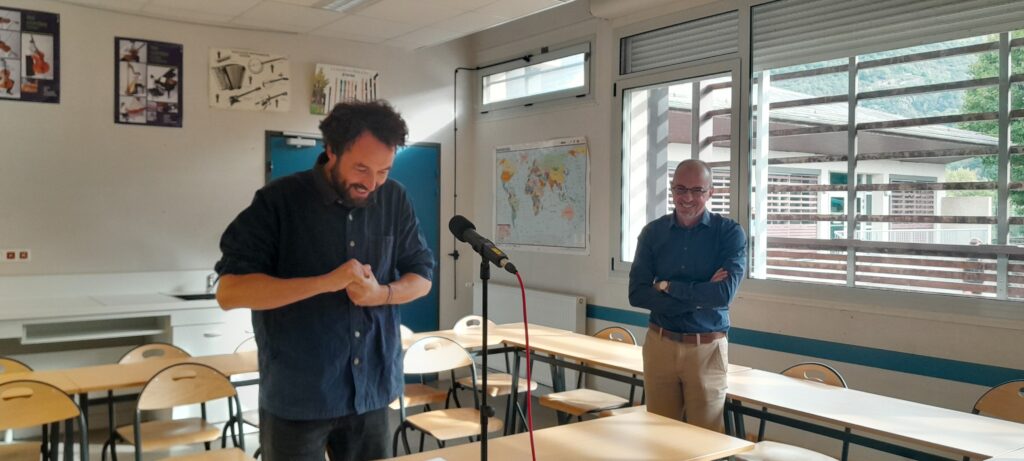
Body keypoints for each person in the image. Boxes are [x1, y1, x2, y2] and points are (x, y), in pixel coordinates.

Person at [215, 100, 434, 461]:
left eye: (383, 171)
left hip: (372, 392)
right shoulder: (278, 201)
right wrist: (323, 282)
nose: (372, 183)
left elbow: (422, 277)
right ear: (331, 150)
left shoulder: (394, 198)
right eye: (361, 168)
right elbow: (230, 292)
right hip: (298, 396)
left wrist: (381, 294)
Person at [628, 159, 746, 432]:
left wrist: (667, 287)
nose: (688, 198)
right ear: (672, 189)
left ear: (711, 192)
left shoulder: (729, 233)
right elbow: (637, 294)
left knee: (705, 438)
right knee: (660, 435)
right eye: (680, 189)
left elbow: (722, 295)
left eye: (697, 190)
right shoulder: (653, 232)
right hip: (659, 345)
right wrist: (700, 294)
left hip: (707, 349)